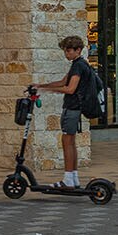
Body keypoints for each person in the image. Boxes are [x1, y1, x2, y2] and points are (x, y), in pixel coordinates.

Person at [30, 35, 94, 189]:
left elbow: (70, 89)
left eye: (69, 51)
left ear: (78, 50)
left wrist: (49, 90)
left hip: (72, 108)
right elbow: (63, 82)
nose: (66, 54)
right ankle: (73, 177)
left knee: (67, 142)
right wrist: (41, 85)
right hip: (74, 108)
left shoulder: (79, 66)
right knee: (70, 142)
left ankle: (68, 179)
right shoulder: (78, 64)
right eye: (65, 51)